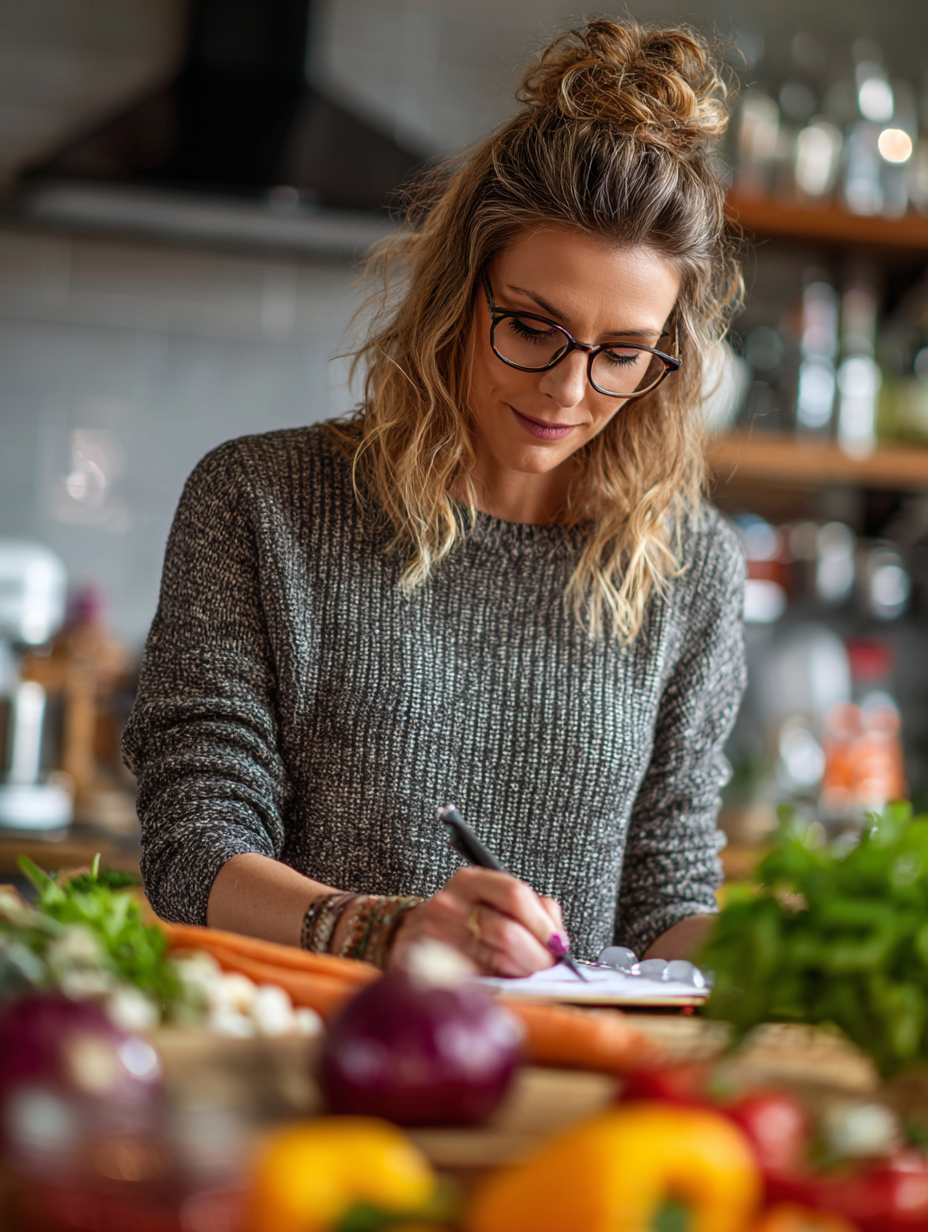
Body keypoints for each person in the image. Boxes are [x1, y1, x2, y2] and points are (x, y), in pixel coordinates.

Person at [123, 18, 747, 977]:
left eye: (623, 353)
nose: (568, 391)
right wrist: (383, 931)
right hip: (314, 1038)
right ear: (459, 293)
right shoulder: (259, 503)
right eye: (531, 328)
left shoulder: (688, 565)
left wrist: (785, 948)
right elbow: (194, 848)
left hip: (569, 1059)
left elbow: (664, 900)